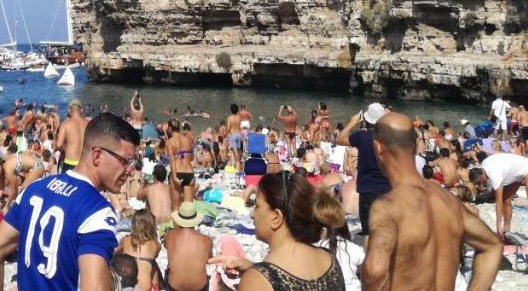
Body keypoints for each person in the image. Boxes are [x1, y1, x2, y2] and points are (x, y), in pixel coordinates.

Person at [0, 112, 139, 291]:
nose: (131, 171)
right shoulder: (97, 211)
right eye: (127, 161)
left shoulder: (35, 189)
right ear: (97, 156)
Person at [361, 113, 502, 291]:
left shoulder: (387, 207)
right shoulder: (449, 201)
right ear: (415, 147)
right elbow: (493, 246)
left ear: (378, 148)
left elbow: (375, 271)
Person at [209, 172, 343, 291]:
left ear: (276, 218)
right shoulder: (330, 260)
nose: (251, 214)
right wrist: (253, 267)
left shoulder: (257, 281)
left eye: (257, 206)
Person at [336, 103, 390, 235]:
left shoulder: (361, 136)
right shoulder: (389, 137)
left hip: (367, 188)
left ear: (366, 119)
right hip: (387, 186)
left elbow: (339, 139)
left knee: (368, 231)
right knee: (386, 227)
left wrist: (352, 122)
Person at [471, 150, 528, 239]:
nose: (478, 185)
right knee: (506, 200)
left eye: (478, 182)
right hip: (515, 171)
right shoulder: (483, 167)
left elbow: (498, 201)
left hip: (527, 166)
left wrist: (497, 226)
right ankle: (506, 231)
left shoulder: (494, 175)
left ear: (482, 176)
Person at [164, 202, 213, 291]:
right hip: (199, 288)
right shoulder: (206, 240)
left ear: (178, 219)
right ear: (195, 219)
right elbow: (209, 259)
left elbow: (168, 249)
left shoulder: (168, 237)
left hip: (174, 287)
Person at [118, 209, 161, 291]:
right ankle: (156, 287)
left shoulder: (125, 240)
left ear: (134, 224)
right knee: (153, 264)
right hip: (144, 288)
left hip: (126, 287)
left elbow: (115, 254)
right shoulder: (155, 245)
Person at [54, 98, 89, 172]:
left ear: (69, 110)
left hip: (70, 162)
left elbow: (59, 145)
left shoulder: (65, 124)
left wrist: (66, 146)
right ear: (81, 110)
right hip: (85, 163)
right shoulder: (88, 124)